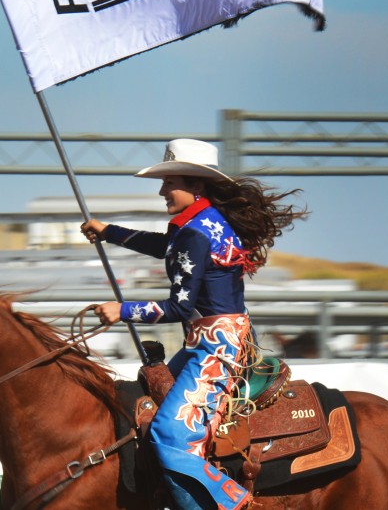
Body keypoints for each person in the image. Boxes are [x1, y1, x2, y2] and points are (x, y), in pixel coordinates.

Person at [81, 138, 306, 510]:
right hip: (213, 342)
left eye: (170, 182)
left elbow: (179, 307)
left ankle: (236, 504)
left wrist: (120, 311)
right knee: (149, 404)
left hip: (217, 349)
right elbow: (164, 247)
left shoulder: (195, 232)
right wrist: (109, 232)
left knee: (172, 434)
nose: (162, 190)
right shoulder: (199, 224)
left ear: (196, 186)